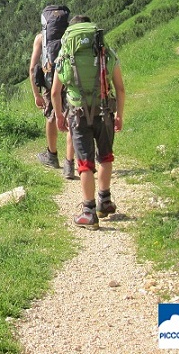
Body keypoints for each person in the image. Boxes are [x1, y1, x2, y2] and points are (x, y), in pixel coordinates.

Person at [51, 16, 125, 230]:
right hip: (105, 112)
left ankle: (89, 212)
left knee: (84, 163)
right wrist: (119, 114)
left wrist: (59, 115)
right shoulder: (105, 53)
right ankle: (105, 200)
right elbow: (120, 88)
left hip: (78, 114)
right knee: (105, 156)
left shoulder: (66, 55)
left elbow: (56, 91)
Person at [30, 26, 76, 179]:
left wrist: (36, 94)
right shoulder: (69, 34)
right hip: (68, 79)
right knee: (71, 116)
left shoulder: (40, 38)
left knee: (51, 116)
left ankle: (52, 155)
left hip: (49, 82)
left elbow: (32, 68)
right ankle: (70, 163)